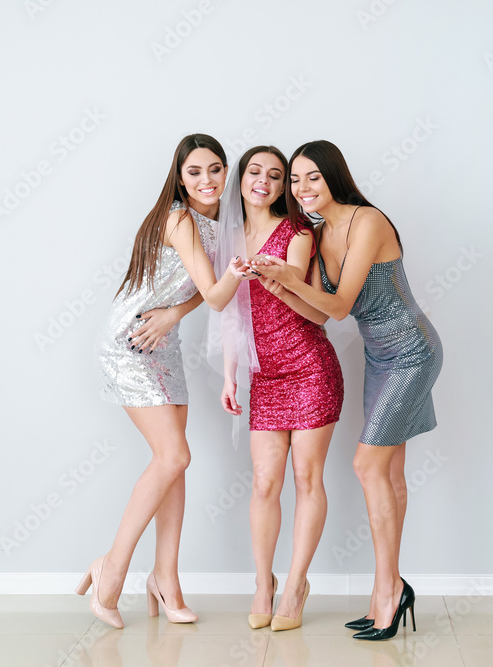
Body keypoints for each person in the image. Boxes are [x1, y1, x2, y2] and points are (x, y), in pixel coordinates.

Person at [251, 140, 442, 641]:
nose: (301, 188)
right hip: (379, 358)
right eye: (294, 180)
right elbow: (315, 310)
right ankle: (390, 588)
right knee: (390, 473)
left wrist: (291, 274)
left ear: (335, 176)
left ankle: (387, 590)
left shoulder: (367, 222)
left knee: (366, 465)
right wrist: (276, 282)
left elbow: (338, 309)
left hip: (412, 352)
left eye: (312, 177)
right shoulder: (317, 232)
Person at [77, 134, 254, 629]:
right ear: (180, 178)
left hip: (164, 341)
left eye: (215, 169)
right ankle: (111, 569)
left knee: (172, 463)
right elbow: (219, 296)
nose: (207, 180)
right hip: (132, 342)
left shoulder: (223, 222)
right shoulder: (178, 216)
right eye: (195, 172)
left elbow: (202, 291)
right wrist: (236, 275)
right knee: (174, 455)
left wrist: (176, 311)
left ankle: (165, 579)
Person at [212, 145, 344, 631]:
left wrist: (273, 279)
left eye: (276, 174)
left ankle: (294, 587)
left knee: (308, 478)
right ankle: (263, 583)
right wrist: (230, 374)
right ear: (240, 180)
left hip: (309, 367)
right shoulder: (229, 239)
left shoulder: (298, 232)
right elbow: (229, 314)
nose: (264, 181)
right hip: (263, 376)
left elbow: (314, 310)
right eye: (255, 172)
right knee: (265, 483)